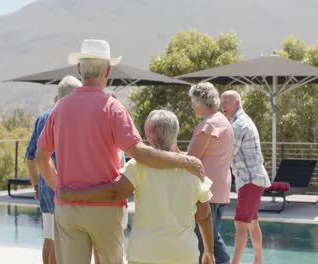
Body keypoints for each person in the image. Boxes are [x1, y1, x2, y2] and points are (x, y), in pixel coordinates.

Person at [35, 39, 205, 264]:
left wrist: (59, 187)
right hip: (105, 209)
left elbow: (41, 158)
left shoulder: (60, 108)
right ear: (108, 71)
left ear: (79, 69)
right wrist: (183, 160)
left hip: (68, 207)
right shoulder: (113, 108)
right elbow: (140, 153)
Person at [59, 109, 215, 264]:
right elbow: (204, 217)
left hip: (145, 253)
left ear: (148, 132)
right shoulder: (194, 170)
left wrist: (73, 195)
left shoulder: (139, 165)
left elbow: (114, 193)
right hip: (183, 254)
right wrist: (209, 251)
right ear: (176, 133)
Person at [25, 75, 82, 264]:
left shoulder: (43, 117)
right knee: (60, 242)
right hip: (64, 187)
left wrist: (35, 185)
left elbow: (30, 157)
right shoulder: (71, 117)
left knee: (49, 239)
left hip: (45, 187)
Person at [220, 90, 271, 264]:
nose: (223, 106)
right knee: (252, 222)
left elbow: (227, 154)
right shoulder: (243, 121)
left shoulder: (238, 125)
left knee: (240, 223)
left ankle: (235, 263)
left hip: (249, 179)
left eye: (227, 101)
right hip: (254, 178)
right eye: (222, 102)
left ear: (237, 103)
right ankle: (259, 260)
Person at [188, 82, 233, 264]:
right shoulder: (222, 121)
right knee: (210, 236)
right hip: (220, 188)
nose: (192, 106)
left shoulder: (209, 125)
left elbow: (191, 158)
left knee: (207, 239)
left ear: (200, 102)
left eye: (193, 102)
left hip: (207, 190)